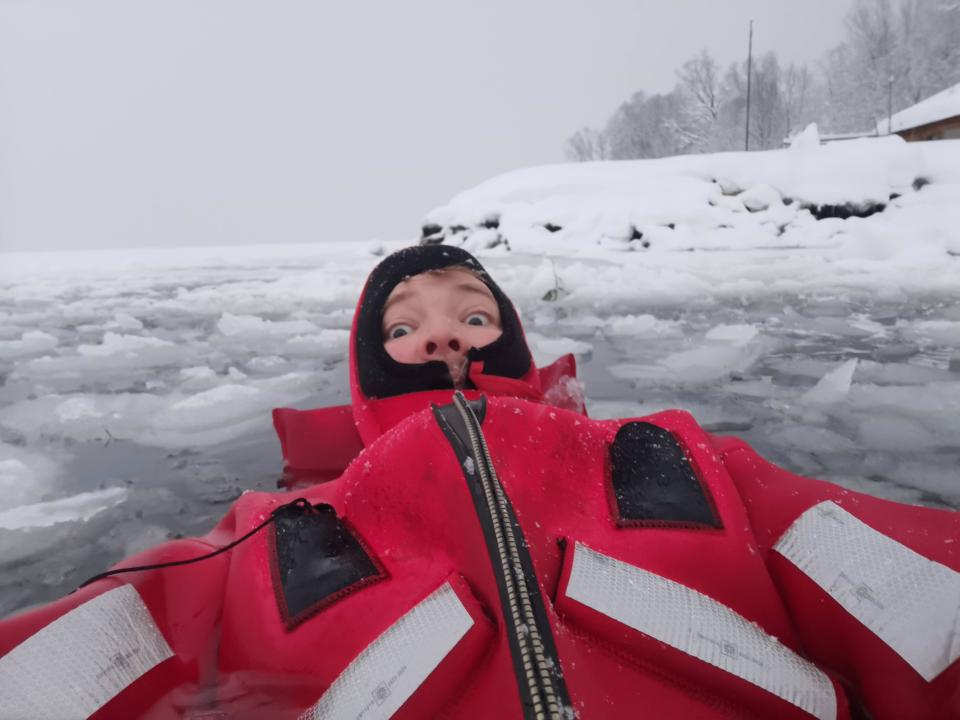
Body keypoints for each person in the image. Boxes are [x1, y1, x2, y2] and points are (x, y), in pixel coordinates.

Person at [0, 245, 958, 720]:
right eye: (403, 326)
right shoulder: (276, 527)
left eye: (473, 315)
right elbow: (94, 650)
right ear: (367, 370)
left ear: (517, 345)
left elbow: (915, 593)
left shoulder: (679, 457)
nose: (444, 335)